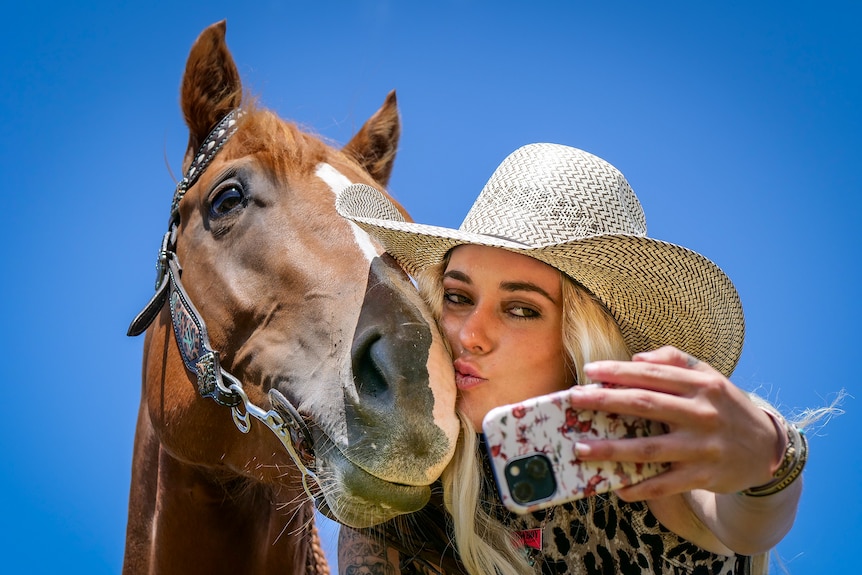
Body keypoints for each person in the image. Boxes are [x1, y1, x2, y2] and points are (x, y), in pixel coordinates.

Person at [334, 143, 809, 574]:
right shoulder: (408, 494)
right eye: (458, 297)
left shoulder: (644, 446)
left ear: (581, 341)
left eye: (521, 309)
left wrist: (769, 463)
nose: (471, 334)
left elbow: (745, 522)